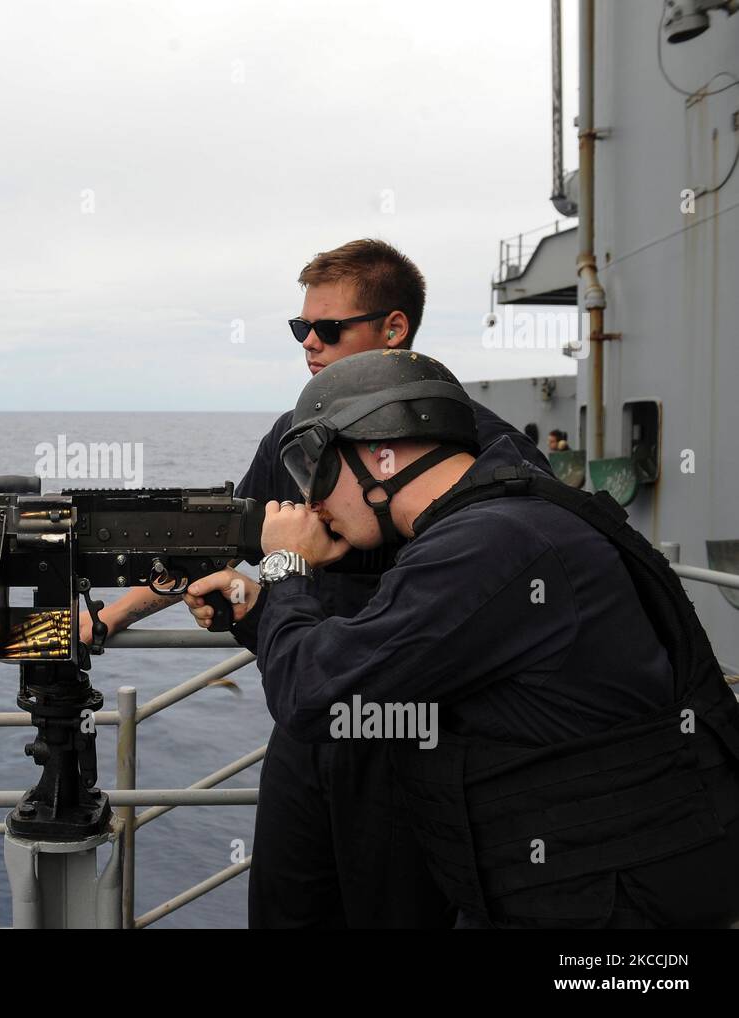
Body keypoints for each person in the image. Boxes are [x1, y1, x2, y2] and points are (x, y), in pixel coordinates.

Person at [84, 238, 551, 927]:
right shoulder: (295, 439)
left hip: (418, 735)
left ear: (395, 329)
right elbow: (219, 543)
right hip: (309, 721)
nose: (308, 342)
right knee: (286, 904)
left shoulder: (485, 451)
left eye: (328, 329)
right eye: (299, 328)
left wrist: (283, 574)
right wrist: (112, 617)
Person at [186, 349, 739, 928]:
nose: (311, 500)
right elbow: (385, 659)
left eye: (314, 468)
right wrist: (258, 612)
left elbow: (314, 695)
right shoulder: (504, 518)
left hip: (608, 903)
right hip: (580, 880)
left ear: (383, 454)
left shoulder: (485, 546)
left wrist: (284, 566)